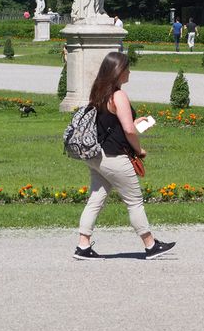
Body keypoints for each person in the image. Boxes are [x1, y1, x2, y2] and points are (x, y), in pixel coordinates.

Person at [74, 52, 176, 260]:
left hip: (97, 155)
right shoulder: (119, 95)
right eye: (127, 68)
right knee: (134, 201)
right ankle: (150, 245)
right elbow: (128, 131)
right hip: (114, 156)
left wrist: (137, 124)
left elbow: (115, 124)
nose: (130, 72)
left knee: (96, 199)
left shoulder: (99, 92)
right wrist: (139, 151)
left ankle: (82, 246)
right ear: (118, 71)